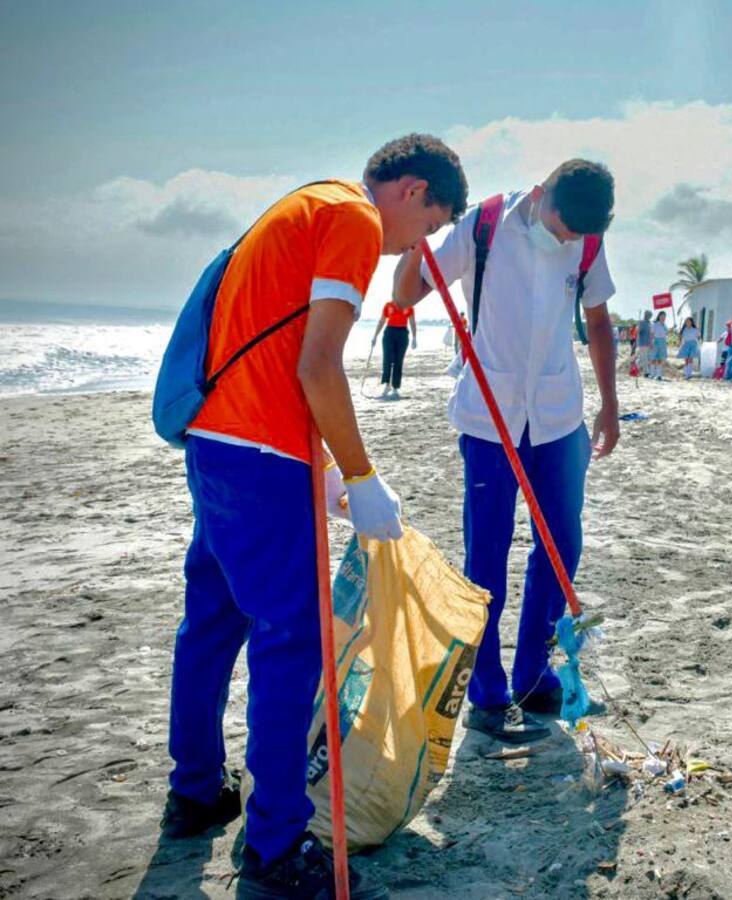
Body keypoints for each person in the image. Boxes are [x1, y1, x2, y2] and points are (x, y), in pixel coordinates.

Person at [162, 134, 468, 900]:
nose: (419, 242)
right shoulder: (356, 221)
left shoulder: (307, 202)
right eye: (429, 225)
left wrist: (326, 472)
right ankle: (273, 844)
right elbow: (318, 364)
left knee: (211, 625)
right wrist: (361, 475)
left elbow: (274, 352)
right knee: (293, 639)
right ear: (411, 190)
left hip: (218, 442)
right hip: (261, 456)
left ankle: (195, 792)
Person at [394, 158, 619, 742]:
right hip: (488, 417)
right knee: (487, 554)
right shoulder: (486, 223)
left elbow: (597, 322)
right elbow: (408, 292)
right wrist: (416, 244)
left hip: (557, 415)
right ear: (542, 194)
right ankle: (487, 690)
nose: (565, 239)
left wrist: (610, 405)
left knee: (561, 543)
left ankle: (535, 673)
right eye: (561, 226)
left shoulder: (587, 240)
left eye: (575, 235)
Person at [372, 299, 417, 399]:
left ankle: (395, 388)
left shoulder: (408, 305)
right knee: (387, 359)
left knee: (398, 361)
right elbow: (382, 321)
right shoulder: (388, 305)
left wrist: (414, 337)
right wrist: (375, 336)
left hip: (402, 333)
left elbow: (412, 322)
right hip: (389, 332)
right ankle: (386, 385)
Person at [650, 310, 669, 380]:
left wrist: (673, 328)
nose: (663, 318)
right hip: (656, 341)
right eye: (662, 316)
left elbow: (667, 333)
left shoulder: (665, 326)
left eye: (664, 316)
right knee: (653, 358)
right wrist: (651, 342)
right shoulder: (655, 324)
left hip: (663, 342)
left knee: (660, 359)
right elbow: (651, 334)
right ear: (659, 316)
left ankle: (659, 375)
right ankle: (652, 374)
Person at [636, 310, 653, 377]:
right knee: (644, 358)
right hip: (642, 343)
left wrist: (651, 343)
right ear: (645, 315)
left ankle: (634, 369)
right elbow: (638, 331)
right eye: (648, 315)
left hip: (648, 343)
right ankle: (646, 373)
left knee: (642, 359)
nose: (649, 316)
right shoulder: (642, 322)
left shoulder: (649, 323)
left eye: (650, 315)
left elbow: (650, 334)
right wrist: (638, 328)